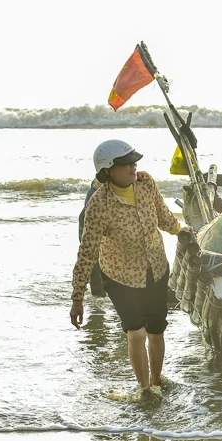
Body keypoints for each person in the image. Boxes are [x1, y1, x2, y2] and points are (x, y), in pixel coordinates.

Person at [70, 139, 186, 390]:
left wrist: (181, 230)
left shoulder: (146, 184)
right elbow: (87, 251)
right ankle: (145, 389)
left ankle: (156, 380)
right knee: (136, 332)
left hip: (155, 268)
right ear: (108, 170)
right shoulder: (98, 205)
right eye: (126, 164)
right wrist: (77, 297)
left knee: (156, 330)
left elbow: (164, 216)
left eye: (134, 161)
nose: (133, 167)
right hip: (120, 276)